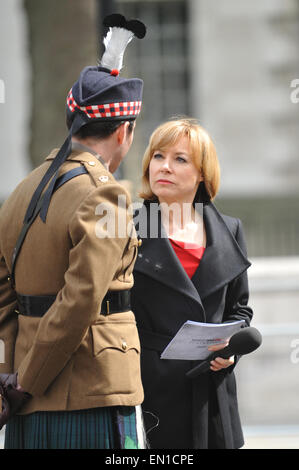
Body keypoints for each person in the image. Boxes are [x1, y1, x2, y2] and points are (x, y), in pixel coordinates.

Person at [0, 14, 147, 449]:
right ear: (125, 130)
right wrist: (29, 380)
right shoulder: (107, 196)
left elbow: (3, 299)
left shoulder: (20, 191)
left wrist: (10, 374)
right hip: (90, 393)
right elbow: (81, 299)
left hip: (24, 401)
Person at [131, 117, 254, 449]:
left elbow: (240, 309)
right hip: (148, 390)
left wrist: (229, 353)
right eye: (158, 156)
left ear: (202, 172)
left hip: (212, 394)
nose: (164, 167)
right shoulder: (126, 226)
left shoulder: (230, 229)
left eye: (179, 159)